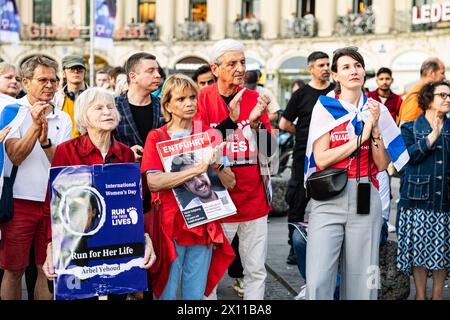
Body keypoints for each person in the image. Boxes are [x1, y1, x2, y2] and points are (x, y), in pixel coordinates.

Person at [41, 87, 156, 299]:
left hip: (117, 249)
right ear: (84, 116)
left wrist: (145, 238)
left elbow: (135, 204)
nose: (107, 112)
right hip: (78, 248)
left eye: (111, 107)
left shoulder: (125, 154)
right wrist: (51, 246)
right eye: (99, 108)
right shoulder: (67, 151)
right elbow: (54, 204)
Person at [141, 74, 241, 300]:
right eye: (181, 99)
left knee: (195, 296)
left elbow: (231, 183)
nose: (189, 103)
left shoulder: (208, 134)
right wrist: (196, 170)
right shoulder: (157, 137)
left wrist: (216, 162)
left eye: (193, 97)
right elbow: (153, 182)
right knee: (165, 291)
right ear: (167, 105)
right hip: (170, 226)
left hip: (203, 224)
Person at [305, 47, 393, 300]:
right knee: (318, 278)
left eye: (357, 65)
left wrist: (374, 130)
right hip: (329, 195)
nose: (353, 71)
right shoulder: (324, 108)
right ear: (335, 75)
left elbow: (383, 163)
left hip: (366, 193)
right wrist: (359, 138)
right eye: (345, 67)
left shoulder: (377, 110)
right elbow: (321, 158)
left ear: (364, 71)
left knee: (364, 280)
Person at [196, 39, 274, 300]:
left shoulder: (255, 99)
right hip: (216, 198)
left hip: (253, 198)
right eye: (232, 63)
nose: (240, 68)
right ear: (215, 69)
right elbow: (202, 146)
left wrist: (256, 126)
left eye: (243, 62)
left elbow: (269, 150)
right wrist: (219, 166)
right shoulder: (201, 99)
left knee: (255, 269)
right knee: (211, 271)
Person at [0, 55, 73, 300]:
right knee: (14, 270)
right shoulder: (12, 111)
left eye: (53, 80)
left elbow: (62, 165)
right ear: (25, 82)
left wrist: (45, 141)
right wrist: (34, 126)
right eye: (43, 80)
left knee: (47, 269)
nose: (50, 85)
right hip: (20, 202)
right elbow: (15, 156)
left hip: (52, 204)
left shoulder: (63, 117)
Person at [279, 51, 335, 265]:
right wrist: (305, 134)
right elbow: (284, 124)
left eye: (328, 64)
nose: (326, 68)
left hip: (330, 157)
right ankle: (294, 247)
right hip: (303, 157)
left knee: (329, 201)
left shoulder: (334, 92)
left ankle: (327, 248)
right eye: (321, 64)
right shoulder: (300, 94)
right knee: (297, 202)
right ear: (310, 69)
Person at [397, 80, 450, 300]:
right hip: (416, 199)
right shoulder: (409, 128)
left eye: (449, 96)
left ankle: (437, 295)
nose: (447, 99)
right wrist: (430, 138)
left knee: (442, 252)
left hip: (445, 198)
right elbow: (406, 159)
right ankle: (420, 295)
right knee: (418, 253)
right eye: (443, 95)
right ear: (428, 99)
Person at [368, 67, 404, 239]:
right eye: (381, 78)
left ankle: (384, 219)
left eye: (387, 78)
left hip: (389, 145)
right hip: (372, 143)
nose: (384, 81)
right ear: (377, 80)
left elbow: (399, 121)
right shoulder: (369, 98)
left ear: (391, 80)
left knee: (386, 182)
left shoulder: (397, 100)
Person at [114, 52, 163, 161]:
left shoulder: (164, 106)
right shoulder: (113, 107)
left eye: (157, 70)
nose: (158, 75)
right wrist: (126, 153)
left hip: (159, 173)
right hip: (125, 173)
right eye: (151, 71)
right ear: (133, 76)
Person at [398, 57, 446, 126]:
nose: (444, 77)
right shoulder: (416, 98)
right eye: (442, 73)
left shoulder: (424, 95)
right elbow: (405, 132)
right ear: (432, 73)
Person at [53, 54, 89, 138]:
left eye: (80, 68)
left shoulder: (96, 97)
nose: (76, 71)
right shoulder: (55, 99)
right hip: (63, 146)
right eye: (71, 68)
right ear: (63, 73)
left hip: (89, 146)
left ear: (85, 72)